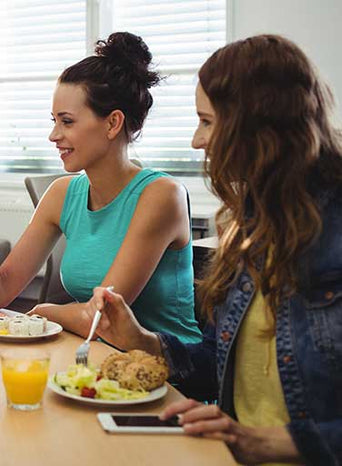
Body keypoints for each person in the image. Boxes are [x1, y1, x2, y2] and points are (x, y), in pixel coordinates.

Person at [87, 35, 342, 465]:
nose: (196, 141)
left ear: (259, 125)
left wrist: (266, 442)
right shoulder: (254, 223)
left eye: (207, 121)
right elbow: (219, 362)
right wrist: (144, 342)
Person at [0, 32, 201, 342]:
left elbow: (102, 318)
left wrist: (44, 311)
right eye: (54, 120)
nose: (53, 135)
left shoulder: (160, 196)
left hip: (167, 373)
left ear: (112, 123)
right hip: (92, 362)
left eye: (67, 121)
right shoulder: (63, 194)